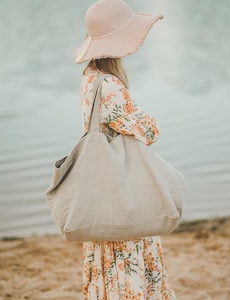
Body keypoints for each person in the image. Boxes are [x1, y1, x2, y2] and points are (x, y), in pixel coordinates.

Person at [74, 0, 176, 299]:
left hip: (101, 185)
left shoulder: (89, 79)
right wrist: (150, 119)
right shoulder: (111, 86)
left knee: (106, 264)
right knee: (129, 255)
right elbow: (148, 131)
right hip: (122, 188)